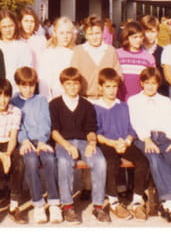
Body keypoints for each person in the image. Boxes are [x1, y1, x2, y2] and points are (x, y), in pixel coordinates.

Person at [49, 67, 109, 224]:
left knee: (99, 161)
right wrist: (67, 146)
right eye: (68, 84)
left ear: (80, 85)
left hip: (83, 142)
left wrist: (92, 143)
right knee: (64, 162)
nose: (72, 87)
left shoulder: (87, 105)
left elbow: (91, 129)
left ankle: (98, 206)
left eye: (75, 83)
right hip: (64, 142)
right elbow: (54, 131)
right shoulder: (55, 104)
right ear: (63, 85)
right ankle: (68, 206)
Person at [128, 67, 171, 226]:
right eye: (147, 83)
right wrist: (147, 140)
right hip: (144, 137)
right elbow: (136, 122)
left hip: (165, 137)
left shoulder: (165, 101)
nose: (150, 86)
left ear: (158, 84)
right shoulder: (134, 100)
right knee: (154, 159)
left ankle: (167, 203)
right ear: (141, 83)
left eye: (153, 83)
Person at [94, 68, 150, 221]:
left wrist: (127, 141)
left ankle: (137, 201)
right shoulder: (96, 107)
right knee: (112, 162)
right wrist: (112, 143)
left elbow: (131, 129)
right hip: (107, 143)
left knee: (142, 161)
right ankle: (114, 202)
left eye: (114, 86)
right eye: (107, 87)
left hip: (123, 142)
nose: (111, 90)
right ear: (100, 87)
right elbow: (96, 133)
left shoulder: (123, 106)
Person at [10, 66, 61, 224]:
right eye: (24, 86)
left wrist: (41, 141)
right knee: (31, 162)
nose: (28, 89)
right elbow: (17, 125)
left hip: (42, 140)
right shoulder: (14, 101)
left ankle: (54, 202)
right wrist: (24, 140)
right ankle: (38, 204)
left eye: (31, 85)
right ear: (18, 85)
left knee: (50, 160)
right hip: (25, 142)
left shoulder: (41, 100)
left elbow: (46, 122)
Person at [0, 78, 27, 224]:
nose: (2, 100)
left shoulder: (16, 111)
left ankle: (14, 205)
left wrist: (7, 155)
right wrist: (1, 156)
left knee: (19, 165)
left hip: (9, 145)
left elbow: (13, 137)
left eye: (6, 96)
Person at [69, 15, 123, 103]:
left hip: (105, 100)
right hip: (84, 99)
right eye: (90, 34)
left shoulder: (110, 50)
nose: (94, 37)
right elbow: (73, 76)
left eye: (97, 33)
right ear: (86, 35)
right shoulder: (78, 51)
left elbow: (118, 75)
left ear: (102, 33)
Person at [115, 21, 156, 102]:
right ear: (127, 37)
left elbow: (152, 80)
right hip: (120, 100)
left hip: (140, 101)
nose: (138, 40)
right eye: (135, 37)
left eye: (141, 37)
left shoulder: (148, 57)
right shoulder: (117, 54)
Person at [37, 16, 76, 100]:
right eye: (61, 33)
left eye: (68, 33)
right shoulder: (48, 54)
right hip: (54, 99)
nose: (65, 36)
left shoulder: (75, 53)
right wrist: (48, 102)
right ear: (55, 33)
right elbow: (44, 83)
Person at [0, 9, 33, 91]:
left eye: (10, 26)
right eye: (4, 27)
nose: (8, 30)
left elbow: (26, 73)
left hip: (18, 91)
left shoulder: (23, 47)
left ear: (15, 25)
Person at [139, 15, 168, 96]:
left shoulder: (163, 52)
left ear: (158, 32)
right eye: (147, 32)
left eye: (153, 32)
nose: (150, 35)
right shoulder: (137, 51)